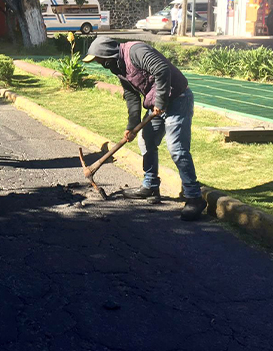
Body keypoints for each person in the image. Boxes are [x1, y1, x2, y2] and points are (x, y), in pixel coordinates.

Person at [82, 35, 206, 220]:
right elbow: (132, 95)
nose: (100, 63)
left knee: (176, 149)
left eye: (100, 60)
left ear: (107, 54)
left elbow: (162, 69)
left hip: (178, 100)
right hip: (156, 105)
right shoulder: (119, 67)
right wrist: (132, 125)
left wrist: (161, 100)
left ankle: (194, 198)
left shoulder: (136, 51)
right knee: (146, 141)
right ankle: (150, 186)